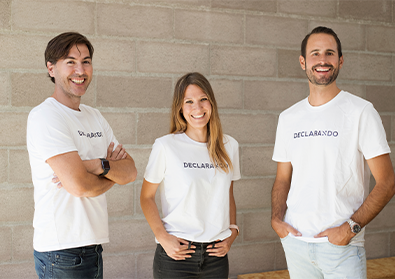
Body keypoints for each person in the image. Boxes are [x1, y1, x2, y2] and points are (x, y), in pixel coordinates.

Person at [271, 26, 395, 278]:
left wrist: (348, 230)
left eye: (329, 53)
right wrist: (276, 220)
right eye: (315, 53)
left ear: (340, 60)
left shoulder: (361, 111)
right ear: (303, 62)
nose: (323, 60)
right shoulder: (288, 118)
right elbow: (283, 178)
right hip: (296, 244)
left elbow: (388, 182)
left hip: (342, 248)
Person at [27, 32, 137, 279]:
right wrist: (110, 171)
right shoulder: (46, 116)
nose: (80, 69)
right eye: (70, 62)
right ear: (51, 68)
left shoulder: (94, 116)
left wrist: (94, 165)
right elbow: (79, 185)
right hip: (61, 251)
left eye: (86, 61)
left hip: (91, 246)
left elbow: (130, 172)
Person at [140, 72, 240, 279]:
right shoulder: (166, 146)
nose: (198, 108)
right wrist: (162, 237)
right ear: (180, 108)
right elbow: (146, 197)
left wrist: (233, 232)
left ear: (211, 103)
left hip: (216, 257)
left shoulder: (229, 146)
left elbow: (227, 194)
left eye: (203, 99)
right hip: (176, 256)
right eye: (189, 102)